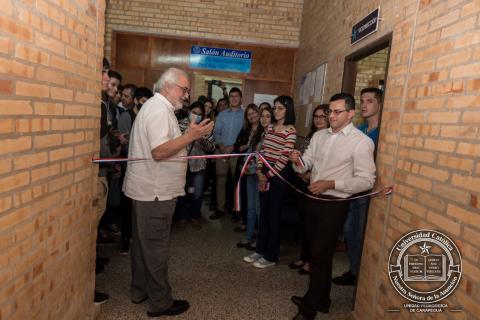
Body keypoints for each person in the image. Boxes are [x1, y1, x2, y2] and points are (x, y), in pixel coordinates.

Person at [122, 68, 214, 317]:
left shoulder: (157, 108)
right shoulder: (159, 110)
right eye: (184, 89)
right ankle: (160, 303)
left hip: (147, 190)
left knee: (143, 246)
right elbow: (160, 151)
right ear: (168, 86)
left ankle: (139, 290)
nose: (186, 94)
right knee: (156, 249)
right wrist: (191, 135)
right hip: (155, 194)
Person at [288, 93, 376, 319]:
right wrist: (296, 160)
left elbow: (367, 180)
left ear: (351, 114)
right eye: (330, 111)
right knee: (320, 254)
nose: (332, 116)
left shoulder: (361, 141)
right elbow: (304, 165)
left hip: (335, 204)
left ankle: (309, 309)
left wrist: (331, 183)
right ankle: (323, 300)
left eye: (338, 112)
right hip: (312, 200)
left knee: (319, 255)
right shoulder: (319, 136)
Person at [332, 88, 382, 286]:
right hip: (350, 189)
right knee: (349, 231)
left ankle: (362, 275)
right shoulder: (359, 130)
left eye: (369, 101)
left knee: (361, 233)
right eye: (362, 101)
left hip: (369, 192)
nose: (364, 105)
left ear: (380, 104)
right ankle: (353, 271)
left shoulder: (383, 132)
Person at [243, 95, 297, 269]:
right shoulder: (270, 128)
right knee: (264, 215)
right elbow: (262, 152)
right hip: (264, 173)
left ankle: (271, 256)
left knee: (273, 216)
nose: (276, 111)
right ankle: (260, 250)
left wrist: (268, 175)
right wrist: (259, 171)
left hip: (278, 177)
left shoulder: (290, 130)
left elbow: (283, 158)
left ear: (288, 110)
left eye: (280, 108)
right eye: (275, 108)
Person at [288, 104, 329, 276]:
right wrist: (299, 169)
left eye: (322, 116)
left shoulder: (329, 137)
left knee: (314, 228)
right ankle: (304, 257)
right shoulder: (311, 136)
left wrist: (309, 175)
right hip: (301, 183)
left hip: (316, 186)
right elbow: (302, 160)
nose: (318, 119)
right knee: (304, 224)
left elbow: (324, 165)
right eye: (316, 116)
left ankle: (311, 262)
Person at [175, 101, 215, 229]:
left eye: (199, 114)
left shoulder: (205, 127)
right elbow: (173, 142)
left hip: (199, 166)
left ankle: (194, 216)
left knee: (197, 193)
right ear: (189, 111)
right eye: (194, 112)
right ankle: (181, 216)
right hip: (182, 164)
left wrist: (200, 138)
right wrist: (188, 134)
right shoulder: (179, 124)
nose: (196, 115)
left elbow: (211, 147)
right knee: (182, 192)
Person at [211, 87, 244, 219]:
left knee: (237, 182)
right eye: (231, 96)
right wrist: (221, 145)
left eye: (237, 96)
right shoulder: (222, 114)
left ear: (241, 99)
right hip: (221, 151)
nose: (234, 98)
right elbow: (216, 132)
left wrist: (233, 147)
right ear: (229, 98)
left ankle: (237, 209)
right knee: (221, 180)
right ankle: (220, 208)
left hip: (236, 153)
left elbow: (245, 135)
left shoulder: (245, 115)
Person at [233, 104, 261, 244]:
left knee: (258, 208)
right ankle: (249, 236)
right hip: (248, 171)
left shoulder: (265, 129)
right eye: (249, 114)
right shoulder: (246, 130)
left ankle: (260, 239)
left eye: (254, 112)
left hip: (261, 173)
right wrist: (246, 145)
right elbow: (237, 146)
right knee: (250, 206)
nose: (252, 116)